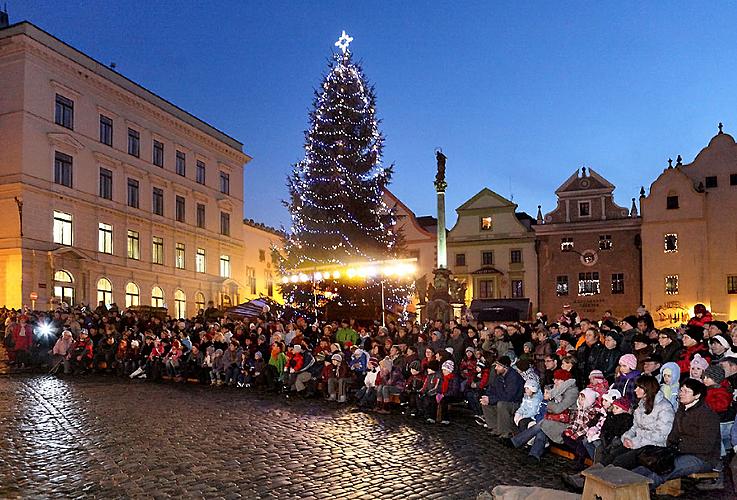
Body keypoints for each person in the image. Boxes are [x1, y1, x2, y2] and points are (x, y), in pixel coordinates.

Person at [632, 379, 721, 490]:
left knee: (664, 470)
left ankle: (637, 492)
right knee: (649, 465)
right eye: (681, 390)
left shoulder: (707, 415)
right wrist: (669, 449)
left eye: (686, 391)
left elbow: (706, 445)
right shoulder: (682, 410)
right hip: (680, 451)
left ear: (697, 395)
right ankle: (623, 486)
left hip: (702, 457)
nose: (681, 393)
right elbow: (673, 435)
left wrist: (679, 446)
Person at [601, 375, 675, 469]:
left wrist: (635, 442)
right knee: (610, 456)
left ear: (647, 389)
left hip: (654, 446)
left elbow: (662, 435)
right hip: (637, 442)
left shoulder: (665, 408)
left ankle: (609, 481)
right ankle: (590, 476)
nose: (635, 390)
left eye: (639, 387)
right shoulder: (641, 405)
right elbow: (634, 427)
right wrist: (627, 437)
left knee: (619, 461)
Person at [478, 355, 524, 437]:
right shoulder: (499, 376)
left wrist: (491, 399)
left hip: (516, 403)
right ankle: (495, 428)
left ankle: (504, 433)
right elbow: (492, 389)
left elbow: (509, 397)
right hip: (503, 399)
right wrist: (487, 397)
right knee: (485, 402)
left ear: (505, 367)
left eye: (498, 366)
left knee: (501, 404)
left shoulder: (514, 377)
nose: (496, 368)